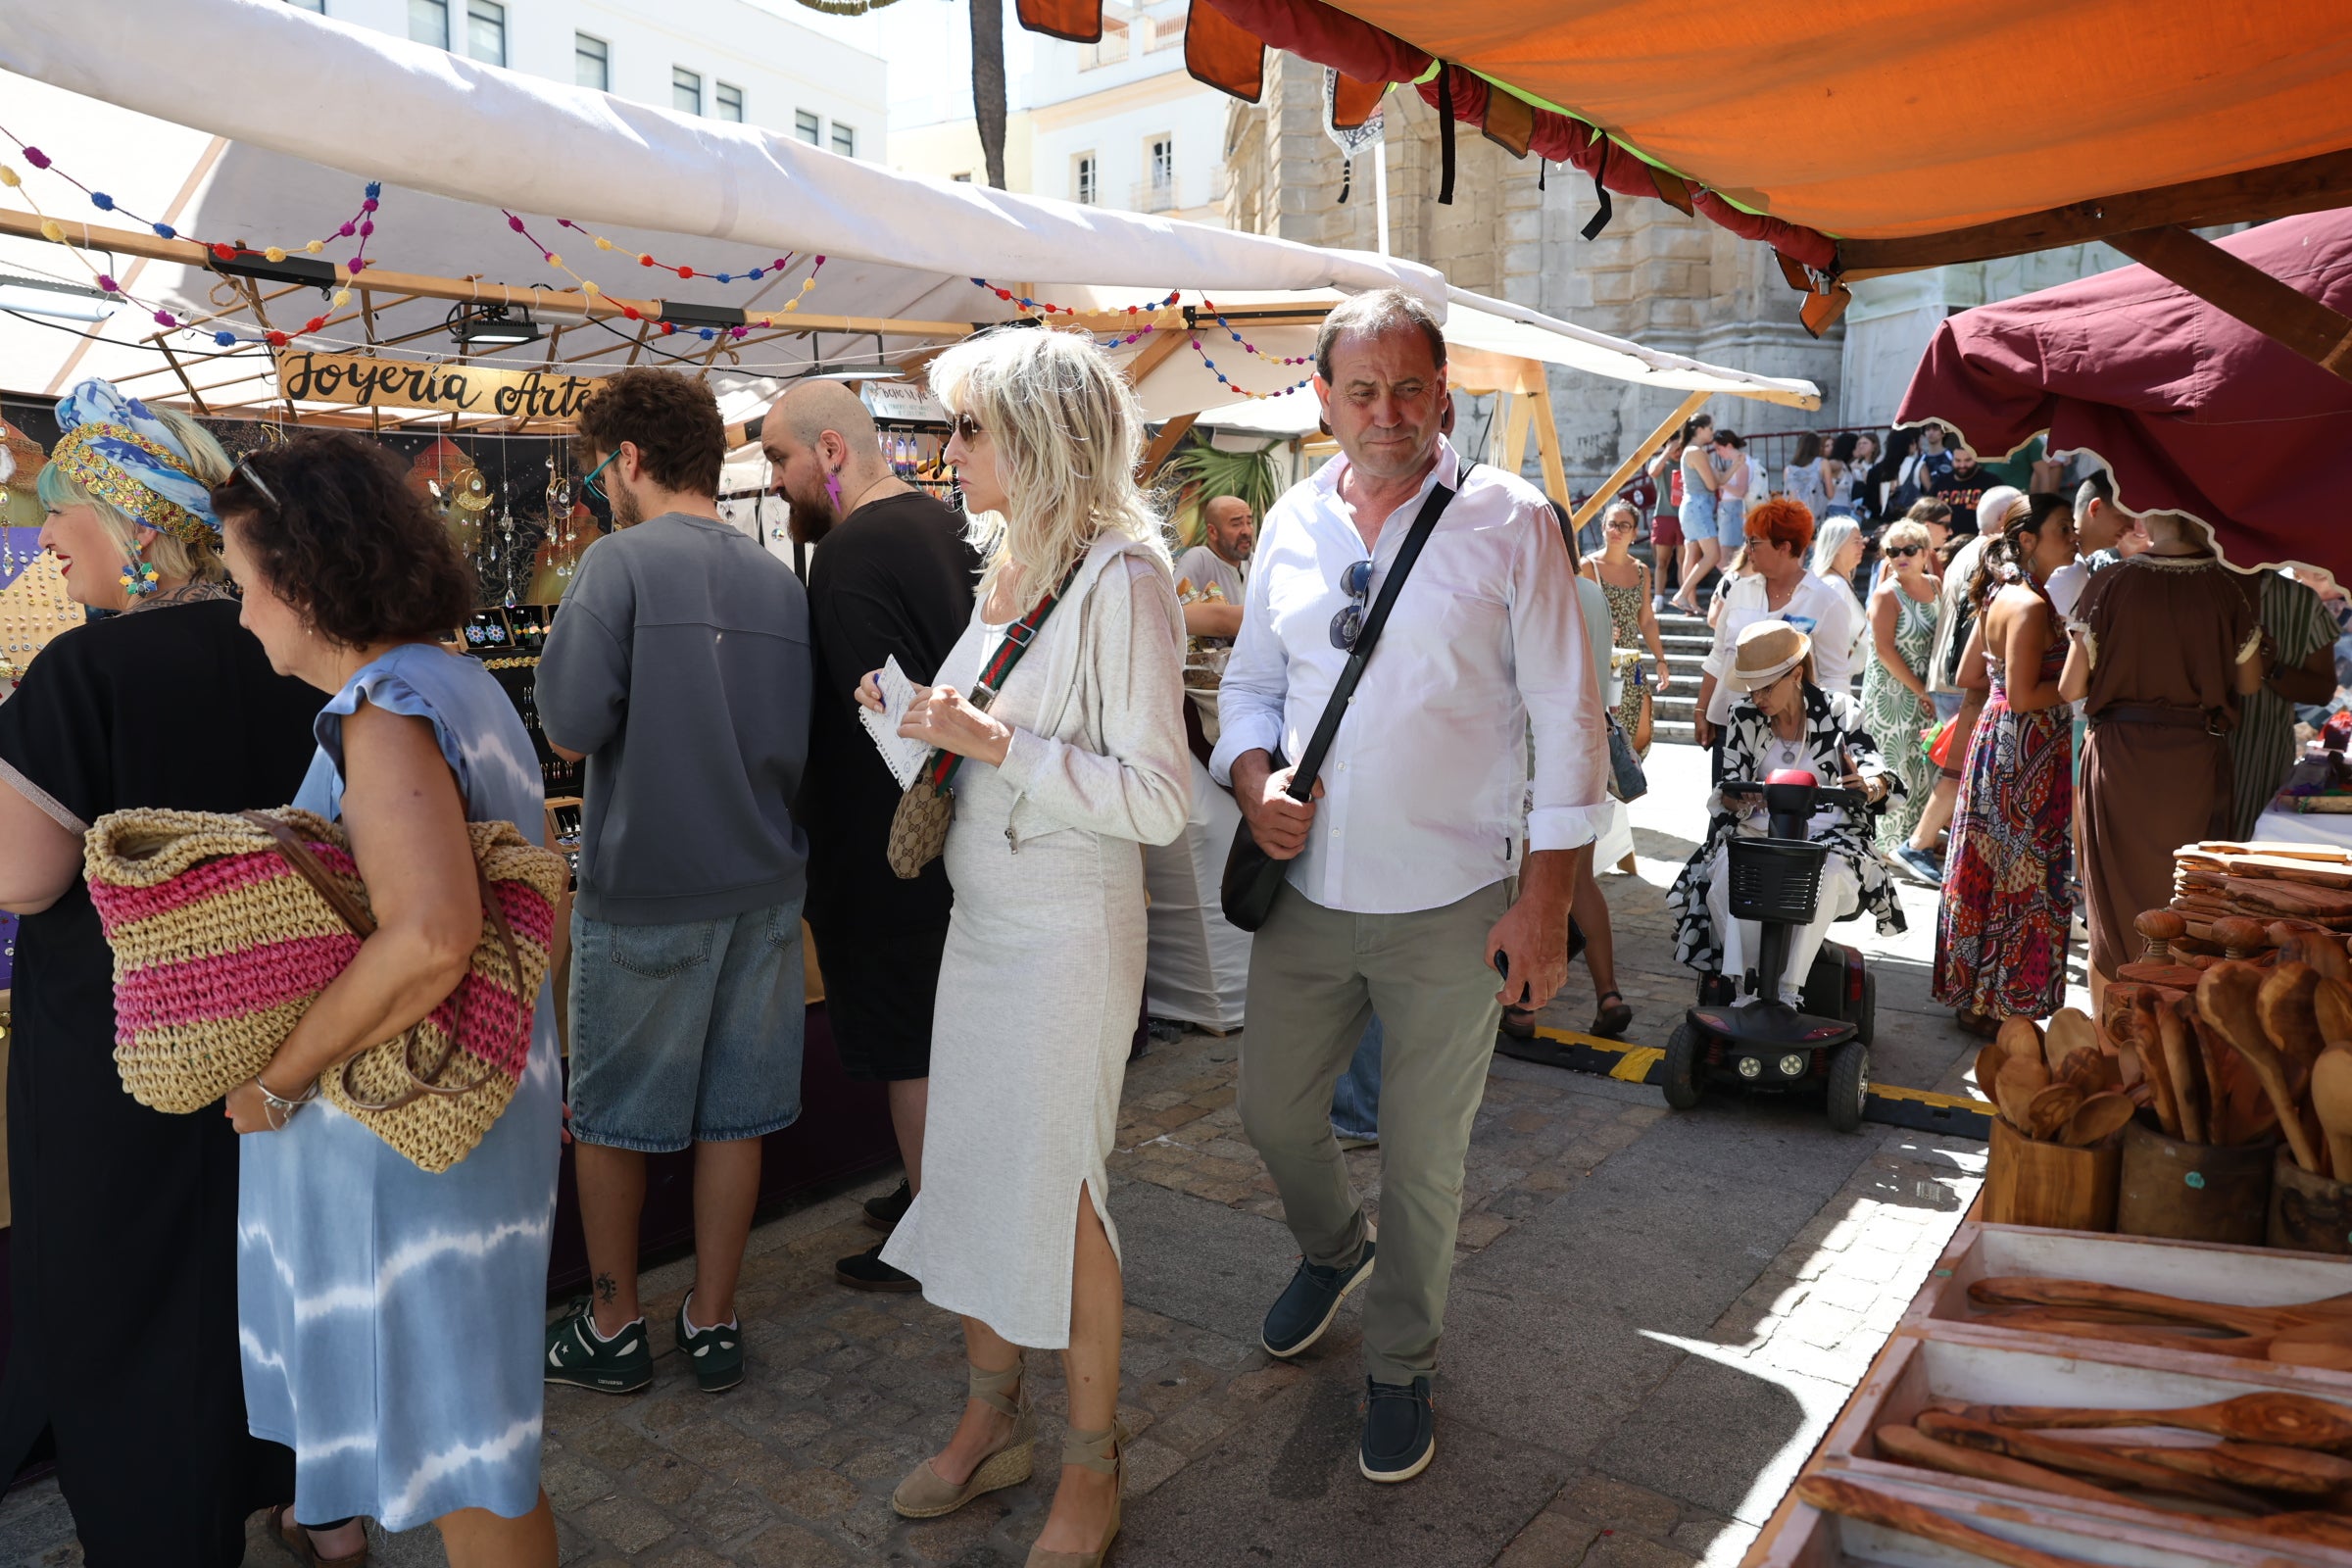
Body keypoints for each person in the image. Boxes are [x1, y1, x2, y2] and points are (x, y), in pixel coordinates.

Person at [1213, 289, 1607, 1486]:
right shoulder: (1291, 520)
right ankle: (1335, 1249)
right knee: (1273, 1112)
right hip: (1309, 892)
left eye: (1409, 388)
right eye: (1361, 390)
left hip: (1453, 900)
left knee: (1425, 1158)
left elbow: (1569, 717)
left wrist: (1545, 905)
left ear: (1444, 395)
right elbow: (1250, 687)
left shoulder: (1510, 519)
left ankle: (1400, 1364)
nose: (1386, 411)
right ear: (1323, 400)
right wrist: (1253, 782)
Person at [864, 327, 1187, 1566]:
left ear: (1041, 438)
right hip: (988, 923)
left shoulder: (1124, 579)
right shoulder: (1010, 568)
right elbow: (976, 761)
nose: (948, 451)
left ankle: (1094, 1463)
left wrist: (992, 742)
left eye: (968, 428)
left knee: (1063, 1193)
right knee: (974, 1168)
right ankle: (991, 1417)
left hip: (1066, 932)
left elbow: (1158, 799)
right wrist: (909, 725)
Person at [217, 431, 563, 1564]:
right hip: (463, 1111)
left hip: (418, 1139)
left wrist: (277, 1079)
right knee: (473, 1439)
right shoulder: (456, 681)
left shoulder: (385, 705)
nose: (241, 615)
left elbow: (430, 934)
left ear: (303, 581)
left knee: (469, 1452)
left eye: (244, 583)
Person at [0, 382, 312, 1565]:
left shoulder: (85, 672)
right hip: (287, 1045)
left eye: (62, 509)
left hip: (123, 1060)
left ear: (133, 520)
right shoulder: (295, 650)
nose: (45, 536)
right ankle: (316, 1504)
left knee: (128, 1307)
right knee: (264, 1278)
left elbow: (21, 878)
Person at [537, 368, 813, 1396]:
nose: (599, 486)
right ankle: (715, 1313)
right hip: (765, 884)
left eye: (599, 467)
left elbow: (569, 730)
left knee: (613, 1116)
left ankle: (615, 1324)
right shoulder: (777, 579)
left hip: (650, 886)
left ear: (631, 459)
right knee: (735, 1113)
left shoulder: (617, 564)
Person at [760, 380, 979, 1294]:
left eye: (779, 458)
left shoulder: (849, 554)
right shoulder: (941, 523)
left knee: (908, 1046)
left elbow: (887, 718)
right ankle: (938, 1195)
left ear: (831, 451)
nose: (775, 481)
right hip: (955, 836)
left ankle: (940, 1237)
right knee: (938, 1034)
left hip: (895, 849)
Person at [2062, 511, 2261, 1004]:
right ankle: (2173, 1024)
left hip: (2119, 759)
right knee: (2188, 902)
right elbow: (2250, 682)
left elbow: (2070, 686)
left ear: (2150, 517)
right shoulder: (2229, 587)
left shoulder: (2111, 581)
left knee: (2109, 911)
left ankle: (2109, 1033)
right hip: (2194, 760)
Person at [1668, 620, 1904, 1001]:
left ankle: (1787, 991)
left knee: (1825, 877)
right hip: (1758, 836)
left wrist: (1871, 785)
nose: (1757, 697)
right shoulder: (1743, 715)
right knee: (1728, 875)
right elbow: (1727, 788)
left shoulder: (1840, 710)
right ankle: (1744, 987)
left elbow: (1875, 767)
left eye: (1765, 686)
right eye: (1751, 686)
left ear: (1795, 674)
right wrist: (1741, 799)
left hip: (1831, 841)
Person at [1934, 494, 2080, 1033]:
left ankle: (1974, 998)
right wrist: (2078, 681)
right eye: (2064, 529)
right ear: (2027, 540)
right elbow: (2022, 697)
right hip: (2025, 745)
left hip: (1996, 742)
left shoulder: (2001, 593)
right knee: (2022, 874)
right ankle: (2002, 1007)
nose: (2073, 538)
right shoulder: (2032, 605)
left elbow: (1969, 676)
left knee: (1987, 865)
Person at [1898, 486, 2021, 886]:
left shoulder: (1972, 551)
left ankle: (1930, 845)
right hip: (1965, 681)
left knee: (1960, 771)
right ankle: (1918, 844)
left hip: (1955, 678)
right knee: (1959, 771)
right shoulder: (1989, 554)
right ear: (2004, 520)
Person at [1694, 498, 1858, 780]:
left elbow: (1834, 677)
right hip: (1729, 727)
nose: (1747, 550)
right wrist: (1702, 708)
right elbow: (1719, 655)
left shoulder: (1826, 601)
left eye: (1754, 542)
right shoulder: (1739, 591)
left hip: (1794, 736)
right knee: (1728, 804)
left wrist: (1837, 733)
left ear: (1784, 547)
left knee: (1785, 808)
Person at [2227, 567, 2341, 836]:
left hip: (2259, 764)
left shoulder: (2300, 601)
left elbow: (2322, 691)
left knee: (2247, 851)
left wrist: (2270, 667)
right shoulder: (2182, 587)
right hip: (2185, 761)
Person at [1859, 518, 1942, 856]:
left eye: (1909, 549)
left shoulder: (1935, 585)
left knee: (1923, 766)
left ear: (1925, 552)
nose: (1901, 557)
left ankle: (1916, 841)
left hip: (1925, 693)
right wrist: (1921, 691)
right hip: (1891, 695)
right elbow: (1885, 651)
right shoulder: (1886, 594)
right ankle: (1887, 846)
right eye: (1894, 551)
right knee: (1896, 766)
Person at [1585, 499, 1671, 757]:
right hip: (1598, 663)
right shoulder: (1587, 566)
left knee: (1640, 733)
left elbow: (1647, 620)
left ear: (1634, 533)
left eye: (1625, 525)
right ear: (1603, 527)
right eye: (1612, 524)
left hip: (1632, 664)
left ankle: (1628, 779)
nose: (1617, 530)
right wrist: (1599, 626)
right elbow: (1575, 612)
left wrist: (1661, 659)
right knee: (1603, 736)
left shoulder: (1641, 570)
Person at [1174, 494, 1254, 748]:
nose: (1246, 531)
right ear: (1212, 531)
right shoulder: (1199, 558)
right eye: (1236, 523)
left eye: (1249, 521)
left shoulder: (1254, 562)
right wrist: (1222, 620)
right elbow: (1172, 611)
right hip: (1208, 684)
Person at [1808, 516, 1869, 690]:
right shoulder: (1834, 585)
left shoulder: (1836, 583)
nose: (1862, 546)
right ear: (1836, 545)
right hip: (1829, 684)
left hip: (1835, 680)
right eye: (1856, 541)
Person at [1670, 414, 1719, 613]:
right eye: (1710, 428)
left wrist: (1734, 466)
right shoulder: (1696, 451)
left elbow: (1717, 480)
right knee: (1713, 554)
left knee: (1691, 554)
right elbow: (1713, 484)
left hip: (1692, 507)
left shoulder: (1692, 451)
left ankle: (1690, 604)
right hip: (1698, 507)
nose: (1713, 432)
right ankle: (1682, 595)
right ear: (1699, 430)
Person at [1645, 431, 1687, 611]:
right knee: (1662, 561)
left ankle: (1684, 598)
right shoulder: (1660, 462)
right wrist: (1668, 450)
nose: (1678, 452)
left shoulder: (1688, 462)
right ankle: (1658, 598)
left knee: (1683, 561)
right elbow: (1653, 472)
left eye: (1680, 448)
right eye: (1675, 448)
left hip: (1685, 517)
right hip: (1664, 515)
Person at [1926, 444, 1996, 532]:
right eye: (1957, 460)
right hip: (1946, 538)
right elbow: (1927, 512)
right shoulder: (1941, 484)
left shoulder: (1991, 482)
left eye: (1968, 460)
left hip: (1979, 538)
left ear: (1976, 459)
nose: (1962, 465)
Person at [1828, 432, 1877, 521]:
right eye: (1858, 445)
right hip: (1834, 510)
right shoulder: (1836, 464)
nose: (1860, 448)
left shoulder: (1849, 467)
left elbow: (1868, 483)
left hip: (1845, 510)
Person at [1784, 432, 1831, 519]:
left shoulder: (1788, 469)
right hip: (1816, 515)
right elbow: (1830, 494)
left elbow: (1789, 497)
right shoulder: (1823, 463)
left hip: (1796, 517)